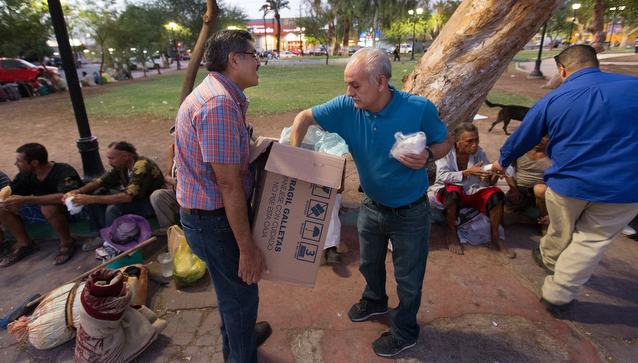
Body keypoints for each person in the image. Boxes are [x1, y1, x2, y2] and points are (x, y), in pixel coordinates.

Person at [290, 48, 451, 358]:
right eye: (347, 84)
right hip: (371, 206)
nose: (348, 92)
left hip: (411, 212)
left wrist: (429, 155)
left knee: (408, 277)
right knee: (369, 264)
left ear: (380, 82)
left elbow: (445, 141)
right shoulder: (346, 106)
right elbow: (303, 119)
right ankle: (375, 300)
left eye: (355, 85)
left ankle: (405, 331)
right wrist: (293, 161)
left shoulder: (418, 108)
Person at [491, 44, 638, 317]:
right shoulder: (634, 86)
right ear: (595, 62)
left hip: (569, 184)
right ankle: (553, 269)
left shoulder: (554, 99)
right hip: (626, 187)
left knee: (563, 229)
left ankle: (556, 288)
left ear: (562, 70)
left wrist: (502, 160)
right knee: (591, 241)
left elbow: (524, 135)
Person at [175, 29, 271, 362]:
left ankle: (237, 339)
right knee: (242, 296)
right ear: (234, 60)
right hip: (215, 223)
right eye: (253, 55)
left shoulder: (219, 95)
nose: (259, 62)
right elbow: (228, 184)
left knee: (230, 292)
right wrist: (247, 249)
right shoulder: (218, 104)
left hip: (207, 218)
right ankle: (240, 353)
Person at [432, 122, 515, 258]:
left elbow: (487, 182)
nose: (474, 145)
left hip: (471, 192)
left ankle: (495, 237)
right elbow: (443, 177)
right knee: (453, 192)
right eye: (470, 141)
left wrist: (495, 174)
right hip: (448, 192)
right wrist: (467, 172)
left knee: (496, 194)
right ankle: (452, 233)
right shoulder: (446, 152)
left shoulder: (479, 153)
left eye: (477, 140)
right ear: (457, 141)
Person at [0, 143, 83, 267]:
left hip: (73, 210)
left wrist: (26, 200)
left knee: (48, 208)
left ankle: (67, 243)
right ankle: (25, 244)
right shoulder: (25, 175)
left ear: (34, 162)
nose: (16, 164)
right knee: (1, 209)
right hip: (42, 209)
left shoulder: (63, 170)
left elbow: (66, 196)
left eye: (19, 161)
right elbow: (11, 191)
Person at [68, 141, 164, 251]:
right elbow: (99, 182)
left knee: (113, 208)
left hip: (151, 204)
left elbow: (127, 197)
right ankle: (102, 235)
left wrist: (90, 199)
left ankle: (114, 245)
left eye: (111, 158)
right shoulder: (120, 166)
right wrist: (78, 191)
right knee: (98, 193)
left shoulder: (142, 166)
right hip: (135, 200)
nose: (109, 162)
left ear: (125, 156)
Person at [504, 135, 551, 234]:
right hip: (520, 190)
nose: (540, 140)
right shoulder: (520, 150)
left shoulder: (554, 154)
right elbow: (508, 170)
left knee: (540, 189)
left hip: (543, 192)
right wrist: (514, 191)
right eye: (538, 134)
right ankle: (538, 221)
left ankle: (544, 221)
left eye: (545, 137)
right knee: (500, 215)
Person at [148, 127, 182, 230]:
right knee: (157, 196)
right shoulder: (172, 149)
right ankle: (169, 231)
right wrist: (173, 180)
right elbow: (166, 177)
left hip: (196, 197)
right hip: (178, 194)